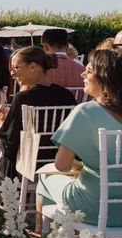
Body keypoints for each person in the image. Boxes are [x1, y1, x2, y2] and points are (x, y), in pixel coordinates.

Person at [0, 46, 77, 193]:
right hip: (58, 162)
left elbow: (9, 145)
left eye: (15, 68)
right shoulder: (67, 95)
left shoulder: (23, 97)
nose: (12, 73)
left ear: (32, 67)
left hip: (24, 166)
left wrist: (1, 123)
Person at [36, 49, 122, 227]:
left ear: (104, 77)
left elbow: (62, 165)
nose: (83, 73)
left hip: (93, 205)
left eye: (89, 71)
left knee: (44, 178)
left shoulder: (85, 112)